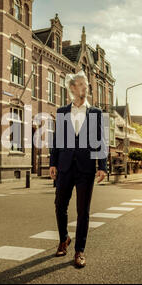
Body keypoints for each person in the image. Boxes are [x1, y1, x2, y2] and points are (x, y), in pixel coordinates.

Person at [49, 70, 107, 268]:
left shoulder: (97, 113)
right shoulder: (62, 112)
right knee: (59, 205)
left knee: (83, 211)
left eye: (87, 85)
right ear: (73, 88)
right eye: (82, 84)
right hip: (65, 166)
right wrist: (53, 163)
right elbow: (56, 140)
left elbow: (101, 140)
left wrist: (103, 166)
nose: (86, 88)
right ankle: (64, 239)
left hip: (86, 168)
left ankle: (79, 250)